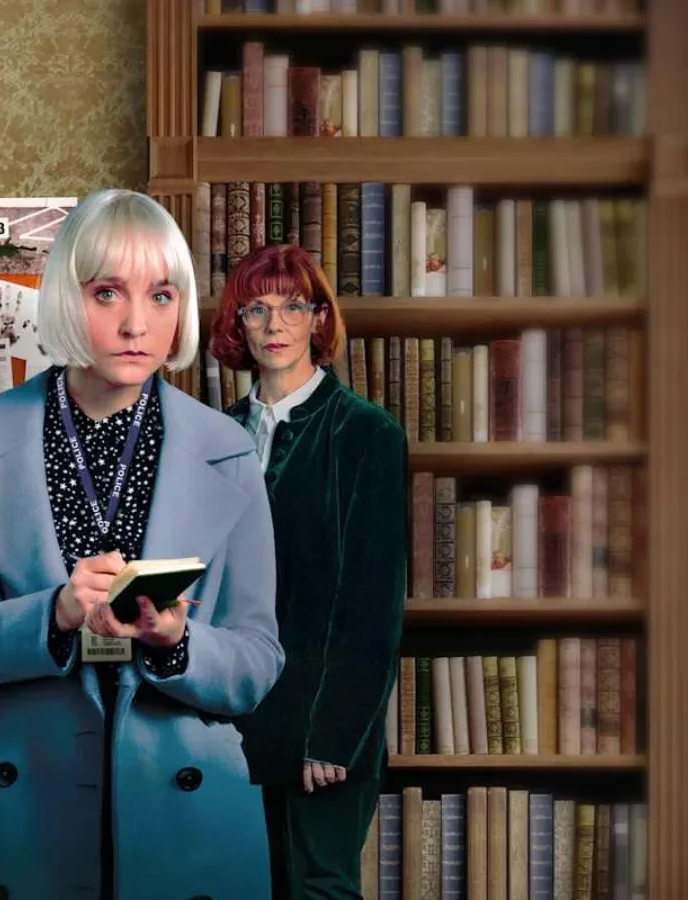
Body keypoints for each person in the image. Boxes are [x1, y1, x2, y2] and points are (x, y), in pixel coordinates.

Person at [0, 188, 284, 900]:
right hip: (21, 800)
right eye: (108, 292)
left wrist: (178, 642)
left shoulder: (228, 449)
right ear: (64, 299)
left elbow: (258, 661)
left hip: (185, 813)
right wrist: (51, 614)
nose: (138, 322)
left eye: (162, 294)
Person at [210, 244, 408, 900]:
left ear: (319, 320)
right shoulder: (216, 436)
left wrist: (333, 734)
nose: (274, 324)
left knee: (319, 889)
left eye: (292, 307)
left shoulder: (366, 434)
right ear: (235, 324)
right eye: (255, 308)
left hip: (324, 730)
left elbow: (371, 601)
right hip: (231, 724)